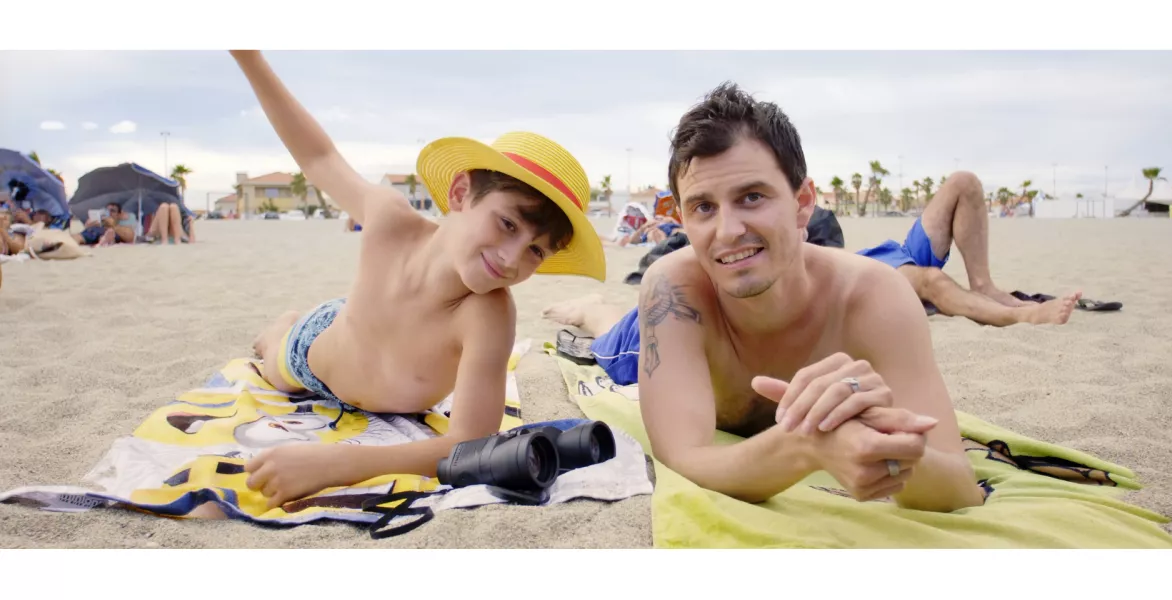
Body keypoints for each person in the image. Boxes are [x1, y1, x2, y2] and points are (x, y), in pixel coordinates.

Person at [543, 82, 982, 512]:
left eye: (752, 197)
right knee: (607, 343)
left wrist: (890, 447)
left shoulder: (874, 297)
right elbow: (683, 456)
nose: (728, 231)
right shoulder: (673, 290)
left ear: (803, 202)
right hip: (651, 335)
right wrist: (806, 444)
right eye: (703, 207)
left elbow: (959, 486)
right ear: (683, 219)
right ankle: (594, 310)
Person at [229, 50, 604, 508]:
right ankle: (279, 330)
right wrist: (247, 55)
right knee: (274, 369)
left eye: (535, 250)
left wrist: (331, 464)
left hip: (374, 349)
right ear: (462, 192)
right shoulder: (390, 221)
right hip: (317, 353)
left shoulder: (489, 313)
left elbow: (469, 445)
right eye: (507, 224)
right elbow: (319, 155)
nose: (510, 259)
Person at [856, 173, 1081, 327]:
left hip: (890, 254)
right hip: (862, 274)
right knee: (931, 280)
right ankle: (1021, 315)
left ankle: (984, 287)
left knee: (964, 182)